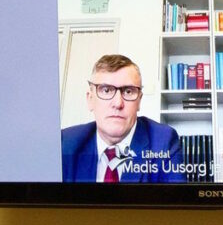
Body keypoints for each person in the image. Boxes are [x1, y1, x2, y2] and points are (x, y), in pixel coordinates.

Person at [61, 54, 185, 183]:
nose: (118, 103)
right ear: (90, 99)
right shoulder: (65, 143)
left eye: (128, 91)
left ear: (139, 101)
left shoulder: (163, 141)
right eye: (106, 90)